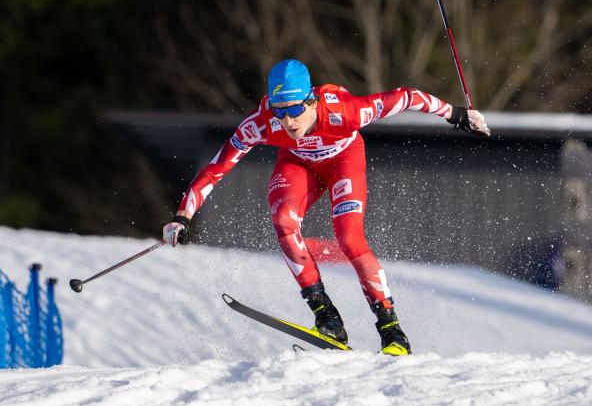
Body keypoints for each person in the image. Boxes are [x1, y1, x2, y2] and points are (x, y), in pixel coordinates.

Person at [163, 59, 490, 356]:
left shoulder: (346, 111)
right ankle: (327, 318)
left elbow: (407, 97)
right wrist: (182, 216)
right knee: (283, 220)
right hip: (297, 165)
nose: (288, 121)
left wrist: (456, 114)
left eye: (294, 110)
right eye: (279, 110)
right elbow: (216, 168)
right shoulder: (263, 123)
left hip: (343, 161)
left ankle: (392, 330)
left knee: (349, 237)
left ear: (310, 101)